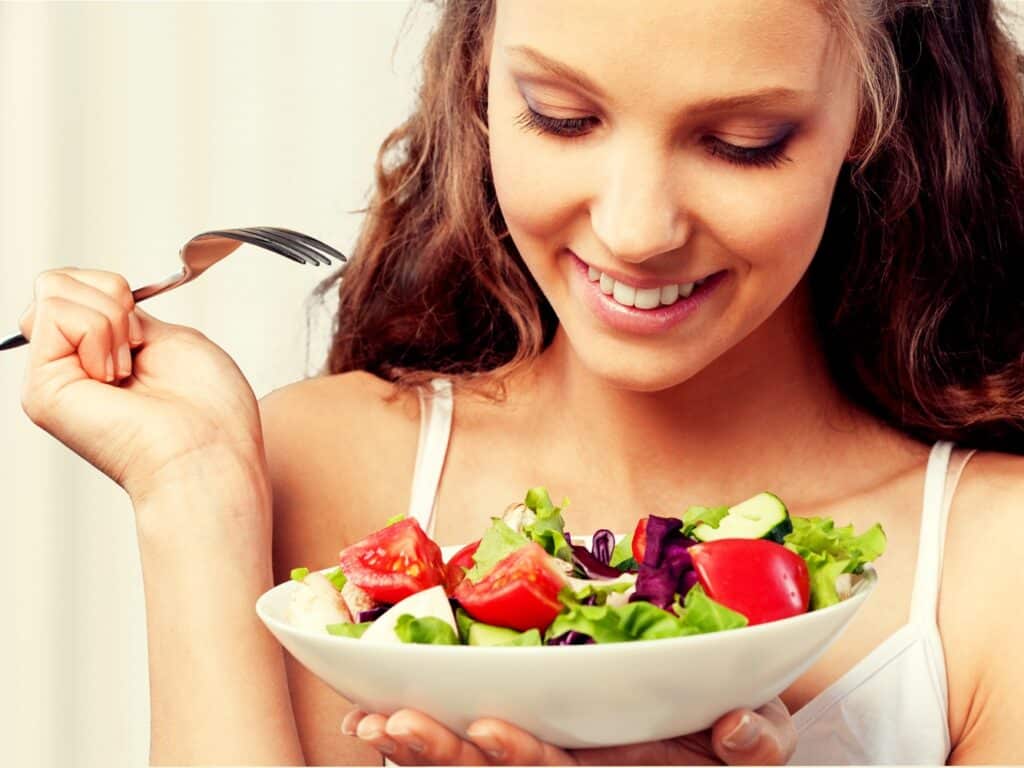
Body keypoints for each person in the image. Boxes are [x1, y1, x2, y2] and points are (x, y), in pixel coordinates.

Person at [15, 0, 1024, 764]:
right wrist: (191, 495)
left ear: (870, 114)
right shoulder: (312, 466)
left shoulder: (993, 562)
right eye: (564, 118)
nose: (635, 230)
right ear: (480, 78)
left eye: (741, 144)